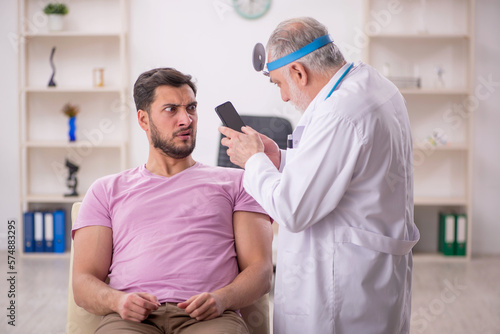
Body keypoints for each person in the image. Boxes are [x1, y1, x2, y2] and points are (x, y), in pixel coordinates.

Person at [219, 17, 420, 334]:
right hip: (370, 276)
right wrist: (280, 159)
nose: (284, 97)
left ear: (299, 72)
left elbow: (293, 210)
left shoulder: (339, 112)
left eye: (279, 84)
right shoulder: (373, 86)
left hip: (342, 287)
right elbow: (343, 168)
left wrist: (253, 159)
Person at [72, 67, 273, 334]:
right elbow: (83, 282)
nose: (186, 120)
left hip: (210, 319)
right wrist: (118, 301)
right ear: (143, 120)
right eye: (171, 110)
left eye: (191, 108)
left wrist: (221, 299)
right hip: (130, 320)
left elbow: (260, 271)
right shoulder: (106, 190)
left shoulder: (237, 183)